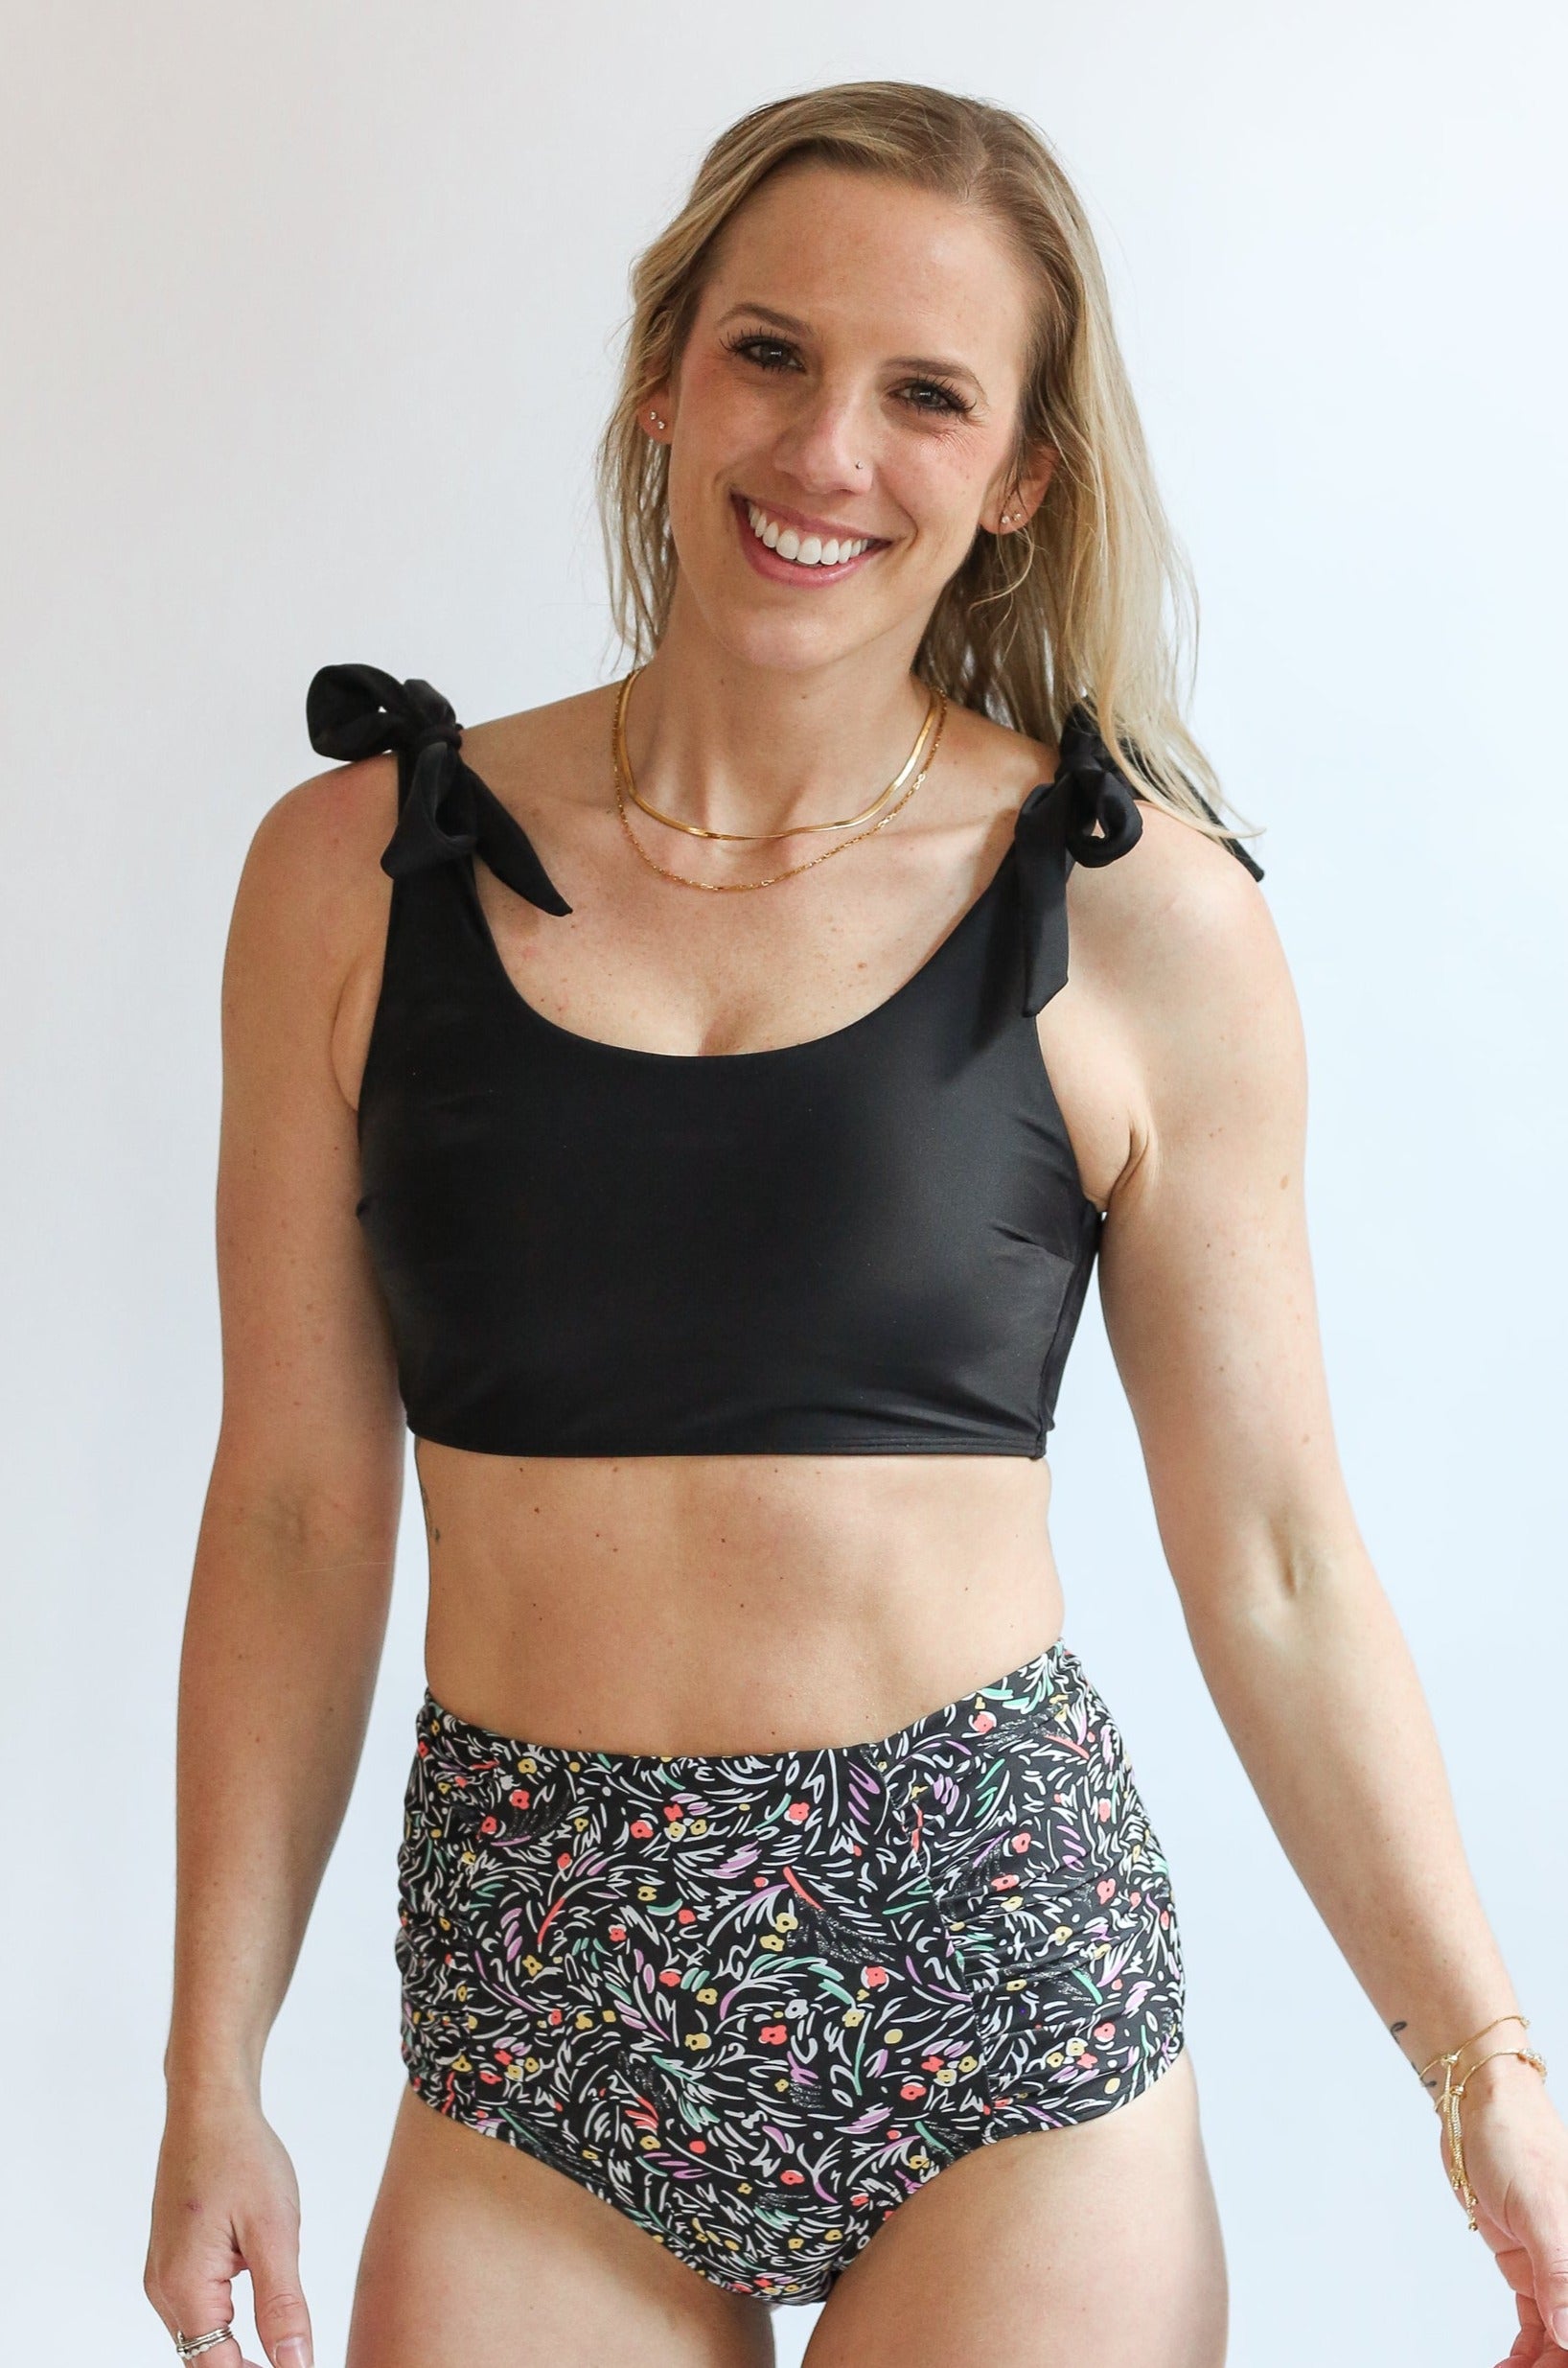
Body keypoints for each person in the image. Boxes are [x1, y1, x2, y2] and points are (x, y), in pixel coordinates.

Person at [144, 79, 1568, 2368]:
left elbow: (1277, 1553)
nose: (824, 452)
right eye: (769, 354)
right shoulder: (351, 873)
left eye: (925, 394)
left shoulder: (1133, 914)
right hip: (532, 2022)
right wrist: (210, 2069)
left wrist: (1482, 2064)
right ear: (662, 374)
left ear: (1016, 477)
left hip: (1003, 2004)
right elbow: (299, 1511)